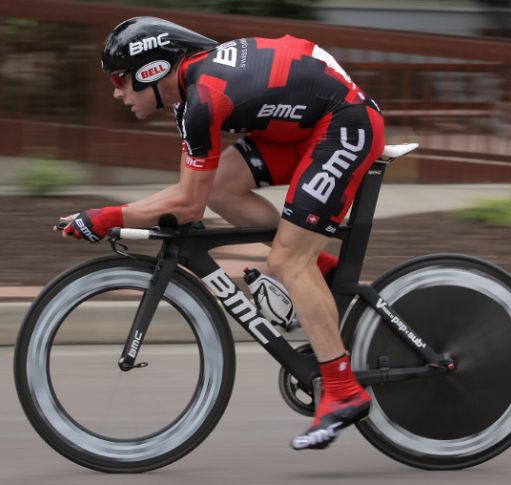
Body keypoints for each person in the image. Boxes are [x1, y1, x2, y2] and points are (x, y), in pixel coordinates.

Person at [58, 17, 385, 450]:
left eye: (120, 79)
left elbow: (186, 204)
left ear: (153, 69)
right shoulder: (189, 97)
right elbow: (192, 193)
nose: (117, 92)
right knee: (224, 187)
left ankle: (344, 390)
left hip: (344, 125)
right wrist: (127, 215)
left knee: (287, 260)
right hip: (309, 125)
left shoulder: (203, 98)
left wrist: (106, 218)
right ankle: (322, 270)